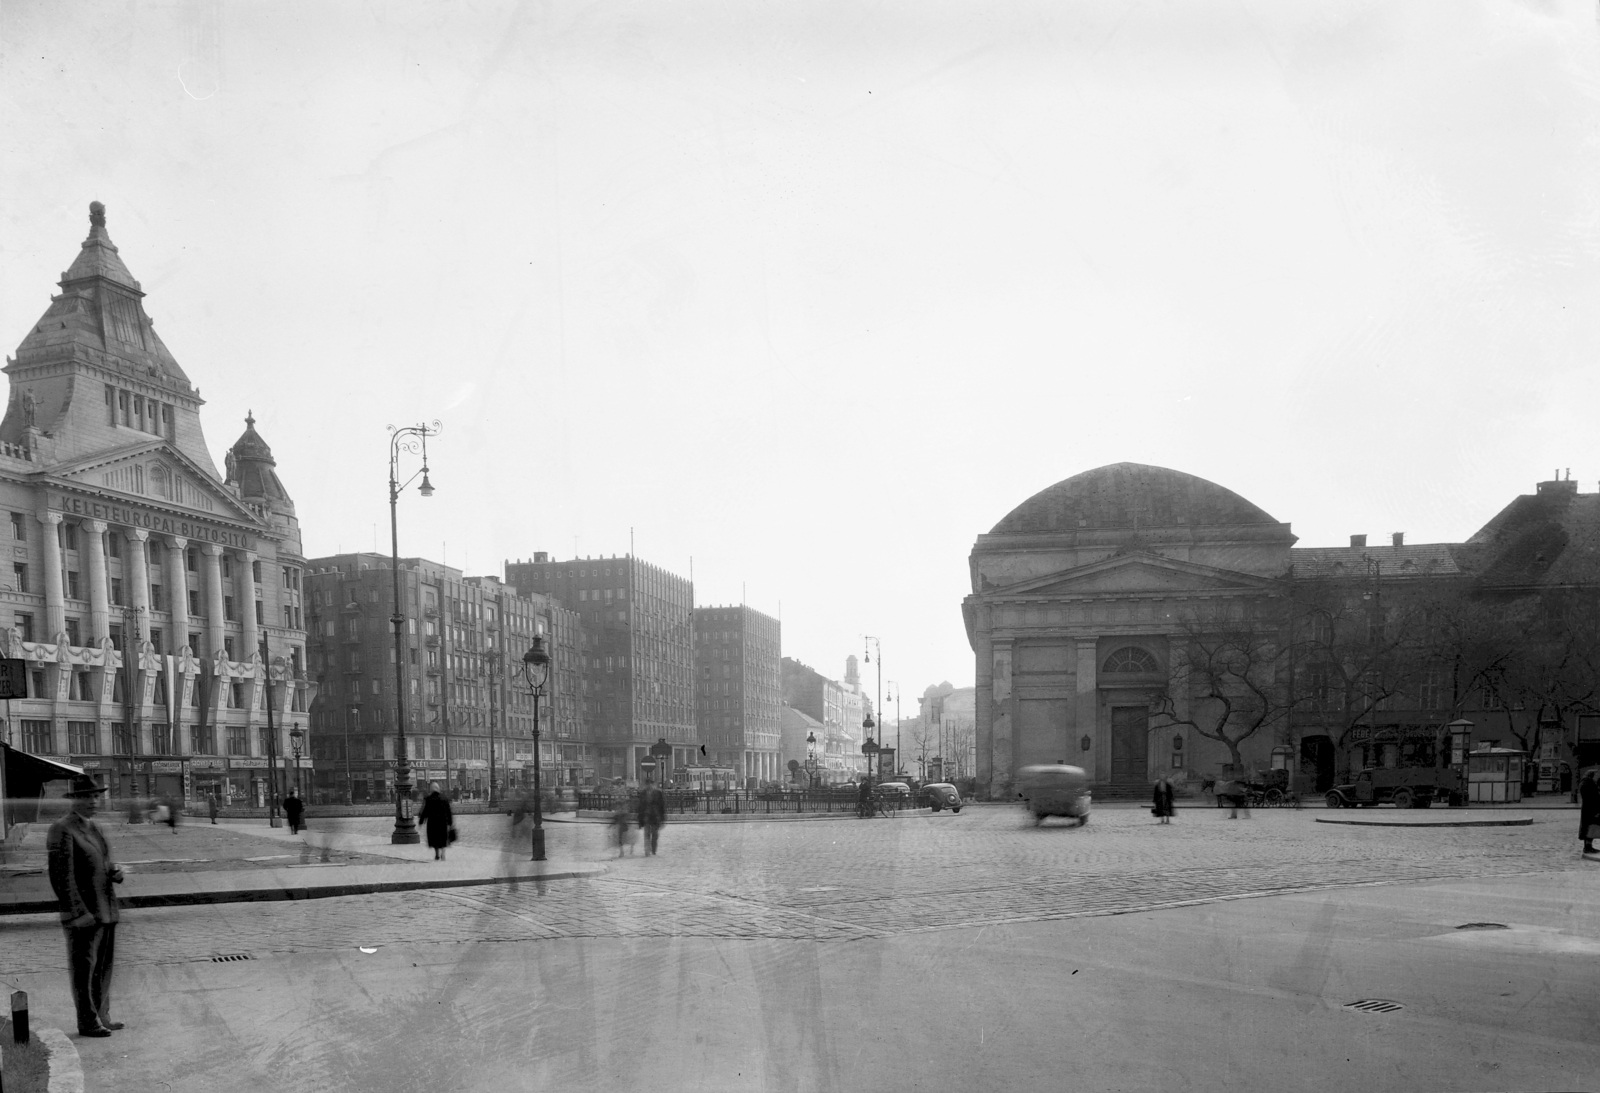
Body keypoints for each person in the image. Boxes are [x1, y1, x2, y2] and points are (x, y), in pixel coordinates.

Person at [46, 774, 125, 1038]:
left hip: (105, 909)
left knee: (103, 967)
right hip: (84, 915)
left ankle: (102, 1015)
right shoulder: (62, 829)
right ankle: (87, 1021)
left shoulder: (95, 828)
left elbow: (101, 863)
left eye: (96, 796)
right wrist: (79, 913)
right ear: (75, 800)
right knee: (84, 970)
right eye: (88, 797)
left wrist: (114, 871)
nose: (94, 801)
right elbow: (61, 877)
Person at [418, 782, 454, 861]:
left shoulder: (429, 799)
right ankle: (443, 853)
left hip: (432, 822)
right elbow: (448, 812)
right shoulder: (444, 798)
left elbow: (425, 811)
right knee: (443, 838)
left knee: (434, 838)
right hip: (442, 822)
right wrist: (450, 823)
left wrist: (421, 821)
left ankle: (437, 854)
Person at [636, 778, 666, 855]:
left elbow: (662, 806)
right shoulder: (643, 793)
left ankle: (653, 848)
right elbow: (640, 807)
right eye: (647, 784)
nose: (649, 786)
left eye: (650, 784)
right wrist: (639, 820)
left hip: (655, 816)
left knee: (655, 834)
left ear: (653, 784)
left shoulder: (658, 793)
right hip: (646, 816)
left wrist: (662, 819)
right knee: (647, 833)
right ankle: (647, 849)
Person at [1579, 769, 1600, 856]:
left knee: (1591, 827)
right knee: (1589, 827)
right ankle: (1587, 847)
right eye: (1596, 774)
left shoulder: (1590, 783)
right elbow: (1592, 798)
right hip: (1590, 809)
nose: (1598, 776)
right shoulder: (1588, 784)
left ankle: (1589, 846)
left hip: (1590, 808)